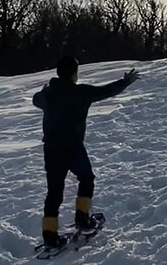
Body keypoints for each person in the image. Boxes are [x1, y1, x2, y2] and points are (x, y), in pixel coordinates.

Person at [32, 55, 140, 248]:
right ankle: (82, 219)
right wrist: (126, 81)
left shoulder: (48, 94)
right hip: (73, 148)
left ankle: (50, 235)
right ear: (74, 73)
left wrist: (45, 91)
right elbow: (106, 91)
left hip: (52, 150)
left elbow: (35, 100)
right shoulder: (81, 92)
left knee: (54, 192)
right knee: (87, 179)